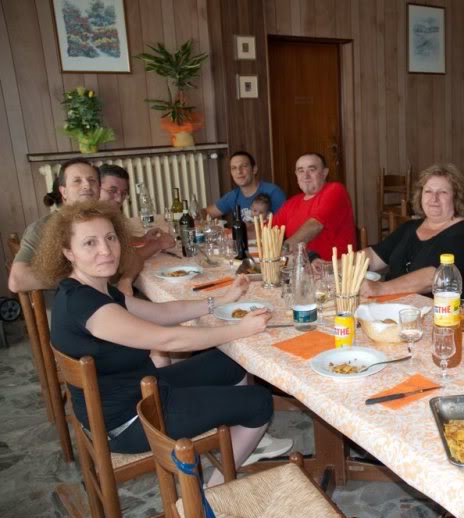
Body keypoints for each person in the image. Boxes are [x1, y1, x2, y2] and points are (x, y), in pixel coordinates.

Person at [32, 200, 293, 484]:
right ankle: (212, 491)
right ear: (68, 252)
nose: (105, 250)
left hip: (143, 389)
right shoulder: (85, 305)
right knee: (259, 402)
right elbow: (169, 338)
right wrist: (241, 329)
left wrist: (219, 301)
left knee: (232, 362)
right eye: (90, 243)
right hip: (131, 421)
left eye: (110, 238)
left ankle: (234, 442)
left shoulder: (90, 289)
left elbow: (163, 313)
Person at [359, 163, 464, 301]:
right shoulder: (410, 227)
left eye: (443, 192)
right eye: (428, 191)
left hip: (441, 311)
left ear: (456, 197)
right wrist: (341, 266)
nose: (434, 198)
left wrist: (381, 288)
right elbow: (373, 256)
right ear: (421, 196)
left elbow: (432, 277)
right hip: (396, 306)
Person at [8, 158, 100, 293]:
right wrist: (81, 278)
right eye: (77, 181)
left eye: (92, 180)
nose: (87, 185)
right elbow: (18, 280)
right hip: (68, 299)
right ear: (64, 192)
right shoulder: (42, 228)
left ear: (99, 189)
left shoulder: (106, 222)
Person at [98, 164, 176, 295]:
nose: (119, 199)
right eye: (112, 190)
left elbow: (119, 240)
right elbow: (126, 259)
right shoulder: (95, 220)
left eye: (123, 193)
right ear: (96, 188)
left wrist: (142, 239)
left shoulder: (108, 212)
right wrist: (158, 244)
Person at [273, 152, 356, 261]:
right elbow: (267, 230)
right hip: (300, 267)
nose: (306, 176)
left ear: (324, 173)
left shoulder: (335, 190)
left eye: (312, 170)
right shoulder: (290, 203)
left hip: (334, 268)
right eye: (301, 171)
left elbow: (315, 226)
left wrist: (284, 249)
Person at [205, 151, 286, 223]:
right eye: (234, 168)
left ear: (254, 169)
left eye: (244, 166)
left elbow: (282, 224)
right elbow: (207, 213)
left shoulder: (273, 192)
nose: (239, 171)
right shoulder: (232, 196)